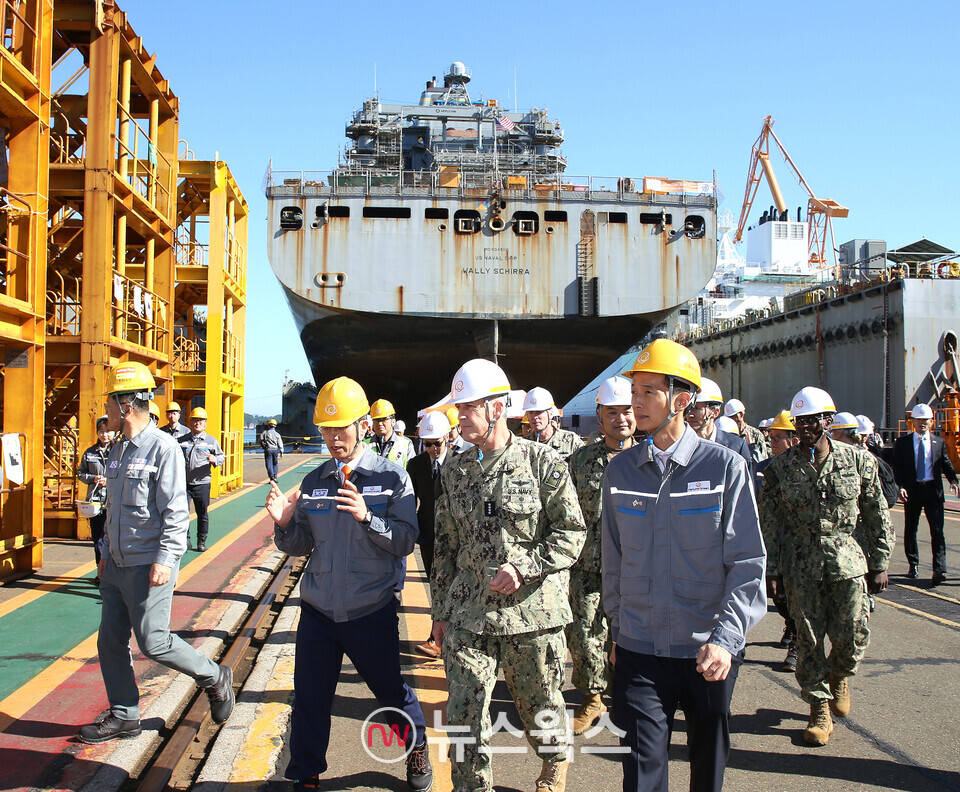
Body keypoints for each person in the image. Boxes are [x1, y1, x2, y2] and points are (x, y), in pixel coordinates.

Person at [603, 339, 766, 792]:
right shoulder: (621, 472)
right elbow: (613, 559)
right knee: (640, 775)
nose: (636, 403)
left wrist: (726, 640)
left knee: (706, 772)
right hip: (638, 651)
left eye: (649, 392)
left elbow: (748, 563)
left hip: (706, 652)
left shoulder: (726, 468)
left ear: (681, 398)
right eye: (634, 390)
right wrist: (618, 631)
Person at [265, 377, 431, 792]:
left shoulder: (393, 478)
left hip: (369, 609)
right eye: (326, 429)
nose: (334, 438)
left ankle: (417, 745)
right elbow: (302, 543)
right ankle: (306, 774)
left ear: (362, 425)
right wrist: (284, 524)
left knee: (389, 691)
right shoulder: (315, 481)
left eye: (342, 429)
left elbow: (406, 541)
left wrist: (367, 517)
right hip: (319, 610)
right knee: (310, 697)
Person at [431, 359, 586, 792]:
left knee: (540, 708)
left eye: (468, 408)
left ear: (497, 409)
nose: (459, 416)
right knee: (464, 709)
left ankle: (554, 761)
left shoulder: (543, 462)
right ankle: (470, 785)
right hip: (469, 612)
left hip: (531, 614)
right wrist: (440, 612)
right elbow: (445, 548)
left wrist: (525, 566)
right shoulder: (454, 470)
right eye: (458, 408)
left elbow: (572, 532)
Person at [78, 362, 233, 744]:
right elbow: (113, 507)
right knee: (109, 640)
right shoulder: (116, 449)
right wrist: (104, 556)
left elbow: (177, 513)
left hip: (149, 564)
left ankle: (213, 676)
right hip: (116, 563)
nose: (107, 411)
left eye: (111, 402)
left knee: (154, 641)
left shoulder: (162, 449)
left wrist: (166, 560)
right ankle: (125, 714)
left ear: (126, 405)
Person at [758, 386, 892, 746]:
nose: (806, 428)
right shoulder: (780, 469)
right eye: (800, 422)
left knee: (852, 634)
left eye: (814, 421)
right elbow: (768, 520)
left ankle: (841, 674)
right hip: (800, 565)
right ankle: (818, 708)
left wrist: (880, 561)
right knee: (809, 637)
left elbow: (877, 511)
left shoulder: (859, 461)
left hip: (847, 562)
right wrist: (771, 568)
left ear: (828, 421)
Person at [567, 376, 635, 735]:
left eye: (626, 410)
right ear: (600, 415)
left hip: (637, 567)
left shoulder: (650, 458)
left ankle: (625, 694)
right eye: (613, 412)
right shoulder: (579, 462)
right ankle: (592, 697)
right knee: (585, 634)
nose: (621, 418)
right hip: (589, 566)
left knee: (631, 634)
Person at [892, 403, 959, 586]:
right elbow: (897, 466)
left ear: (931, 422)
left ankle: (939, 569)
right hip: (912, 492)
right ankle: (913, 565)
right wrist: (900, 486)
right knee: (911, 530)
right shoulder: (903, 443)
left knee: (937, 531)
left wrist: (953, 480)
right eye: (919, 420)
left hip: (933, 491)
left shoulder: (939, 443)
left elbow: (946, 464)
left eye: (926, 420)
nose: (922, 423)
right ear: (912, 421)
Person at [756, 410, 801, 671]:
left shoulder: (803, 469)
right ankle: (790, 624)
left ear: (792, 440)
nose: (771, 441)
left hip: (797, 547)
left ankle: (796, 643)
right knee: (779, 598)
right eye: (770, 437)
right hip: (771, 544)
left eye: (777, 437)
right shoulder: (762, 469)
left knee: (798, 598)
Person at [407, 410, 451, 659]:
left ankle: (449, 636)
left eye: (437, 443)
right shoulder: (415, 465)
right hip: (428, 537)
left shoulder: (461, 461)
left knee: (456, 586)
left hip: (456, 539)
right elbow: (409, 500)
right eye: (427, 444)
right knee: (436, 586)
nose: (433, 449)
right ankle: (437, 636)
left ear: (448, 438)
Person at [179, 407, 225, 552]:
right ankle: (186, 540)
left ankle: (201, 541)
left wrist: (214, 459)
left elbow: (222, 456)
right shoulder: (181, 441)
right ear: (190, 422)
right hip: (184, 484)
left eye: (200, 421)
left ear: (205, 423)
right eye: (195, 420)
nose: (197, 423)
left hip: (202, 484)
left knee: (202, 514)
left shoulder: (211, 441)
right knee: (182, 513)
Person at [686, 377, 752, 471]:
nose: (690, 414)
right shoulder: (678, 444)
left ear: (715, 412)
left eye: (696, 408)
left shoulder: (736, 447)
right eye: (688, 408)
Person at [77, 416, 114, 572]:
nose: (104, 435)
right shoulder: (90, 453)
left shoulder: (119, 451)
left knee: (112, 538)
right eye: (101, 431)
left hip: (113, 501)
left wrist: (110, 481)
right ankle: (100, 570)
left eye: (108, 431)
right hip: (96, 502)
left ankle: (113, 571)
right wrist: (93, 478)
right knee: (98, 538)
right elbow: (80, 473)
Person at [523, 386, 584, 460]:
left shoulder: (572, 441)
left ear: (551, 414)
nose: (534, 417)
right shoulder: (524, 444)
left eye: (539, 412)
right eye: (530, 413)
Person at [369, 398, 416, 468]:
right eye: (376, 420)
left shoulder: (406, 444)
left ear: (393, 421)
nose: (380, 423)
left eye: (384, 419)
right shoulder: (364, 445)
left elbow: (413, 471)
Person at [724, 398, 769, 463]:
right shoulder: (726, 434)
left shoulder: (755, 435)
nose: (729, 420)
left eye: (732, 417)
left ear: (741, 415)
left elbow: (763, 461)